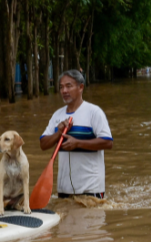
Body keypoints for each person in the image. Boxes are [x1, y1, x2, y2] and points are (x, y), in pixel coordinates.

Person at [39, 69, 113, 199]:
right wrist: (58, 133)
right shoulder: (57, 115)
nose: (64, 91)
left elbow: (108, 142)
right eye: (61, 87)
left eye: (69, 86)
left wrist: (78, 143)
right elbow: (43, 144)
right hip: (63, 190)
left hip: (91, 189)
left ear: (81, 87)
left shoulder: (94, 112)